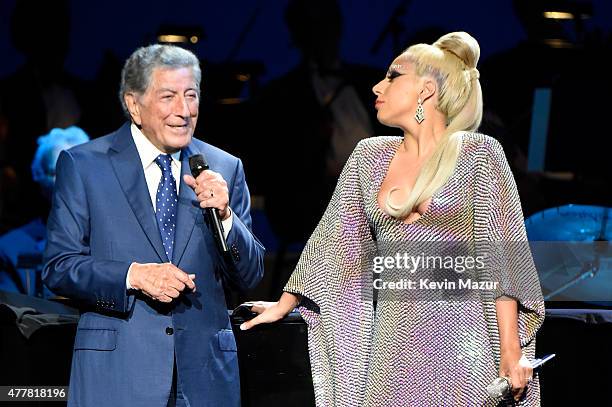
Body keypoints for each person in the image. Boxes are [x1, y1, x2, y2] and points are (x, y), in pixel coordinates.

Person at [241, 32, 545, 406]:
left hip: (467, 352)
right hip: (392, 354)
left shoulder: (478, 155)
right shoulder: (369, 158)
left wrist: (511, 351)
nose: (377, 85)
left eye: (392, 76)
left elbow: (504, 260)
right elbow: (335, 248)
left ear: (426, 90)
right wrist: (286, 302)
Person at [42, 44, 264, 407]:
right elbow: (58, 266)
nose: (184, 110)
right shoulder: (84, 165)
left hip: (205, 377)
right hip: (118, 374)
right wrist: (133, 276)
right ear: (134, 104)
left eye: (191, 95)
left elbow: (250, 276)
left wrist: (226, 217)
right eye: (169, 96)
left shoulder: (223, 168)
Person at [0, 126, 89, 297]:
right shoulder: (11, 248)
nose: (71, 180)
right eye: (58, 171)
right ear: (38, 177)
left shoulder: (117, 239)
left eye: (81, 171)